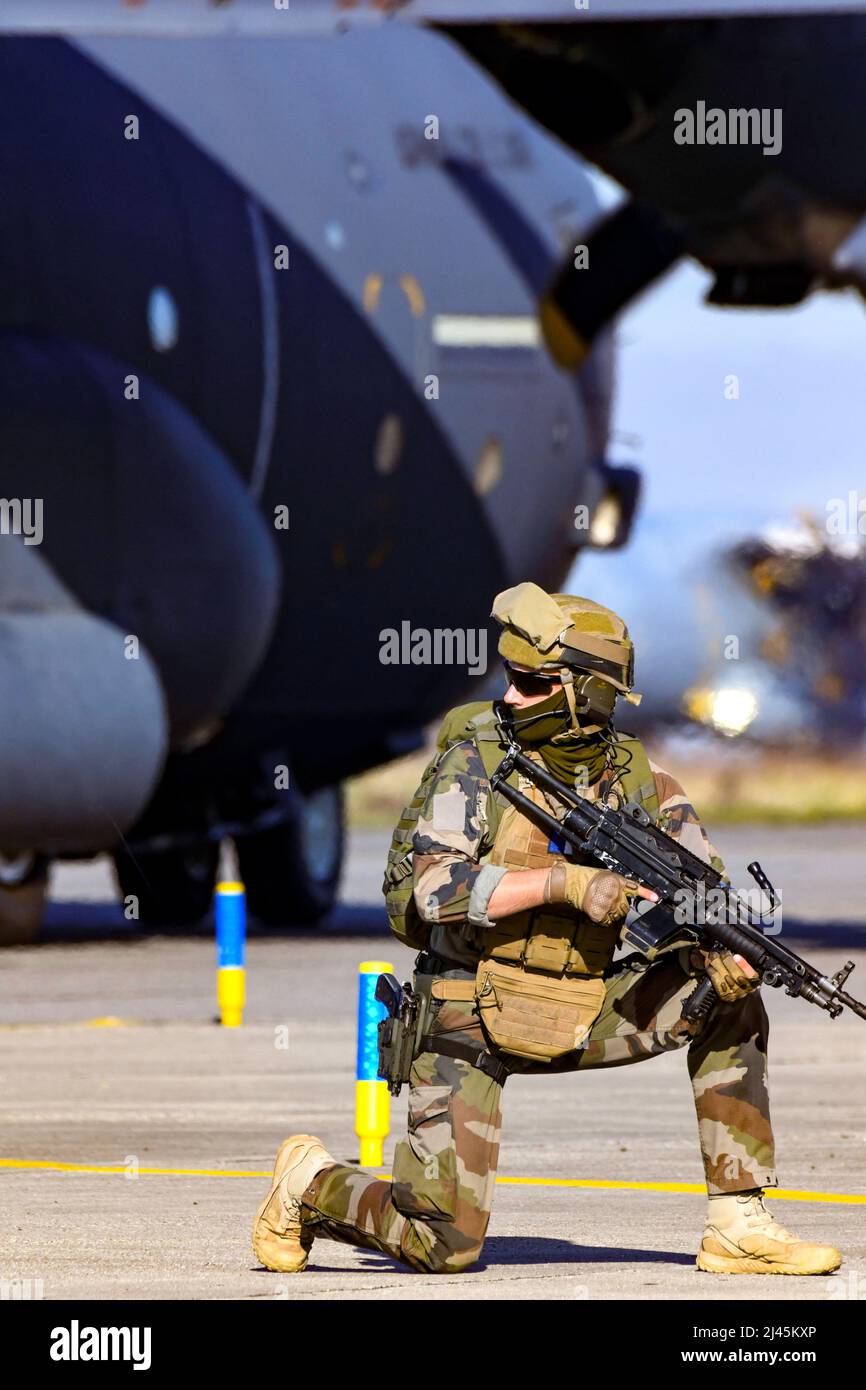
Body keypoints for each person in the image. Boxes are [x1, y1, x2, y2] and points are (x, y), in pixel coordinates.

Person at [252, 582, 842, 1278]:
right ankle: (311, 1183)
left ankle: (738, 1222)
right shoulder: (474, 764)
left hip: (581, 1004)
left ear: (585, 694)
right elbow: (421, 890)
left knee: (729, 990)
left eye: (532, 683)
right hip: (465, 1011)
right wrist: (562, 884)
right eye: (511, 678)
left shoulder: (643, 782)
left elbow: (700, 893)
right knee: (443, 1245)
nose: (511, 695)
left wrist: (722, 953)